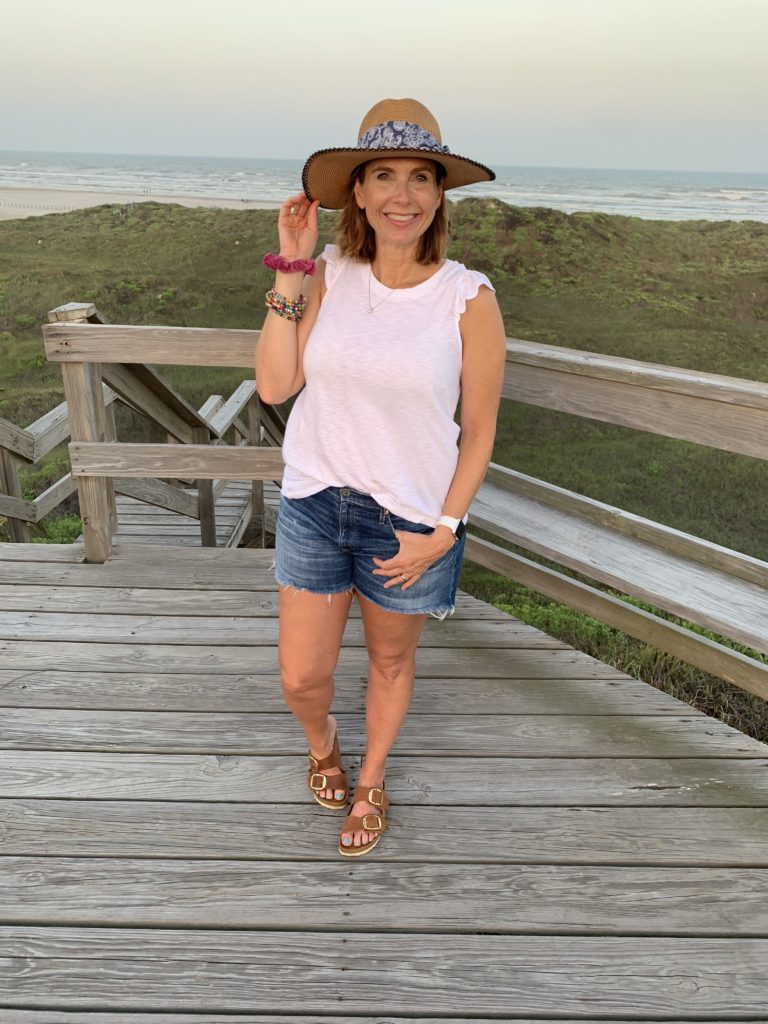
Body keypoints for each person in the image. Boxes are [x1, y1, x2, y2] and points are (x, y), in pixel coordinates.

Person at [255, 98, 506, 857]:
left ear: (439, 195)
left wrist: (445, 531)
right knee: (303, 677)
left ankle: (370, 779)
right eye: (384, 176)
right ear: (358, 193)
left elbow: (481, 433)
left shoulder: (469, 297)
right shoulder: (325, 272)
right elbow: (273, 384)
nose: (404, 194)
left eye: (422, 176)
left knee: (392, 660)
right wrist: (293, 259)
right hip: (313, 502)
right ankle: (323, 742)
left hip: (409, 519)